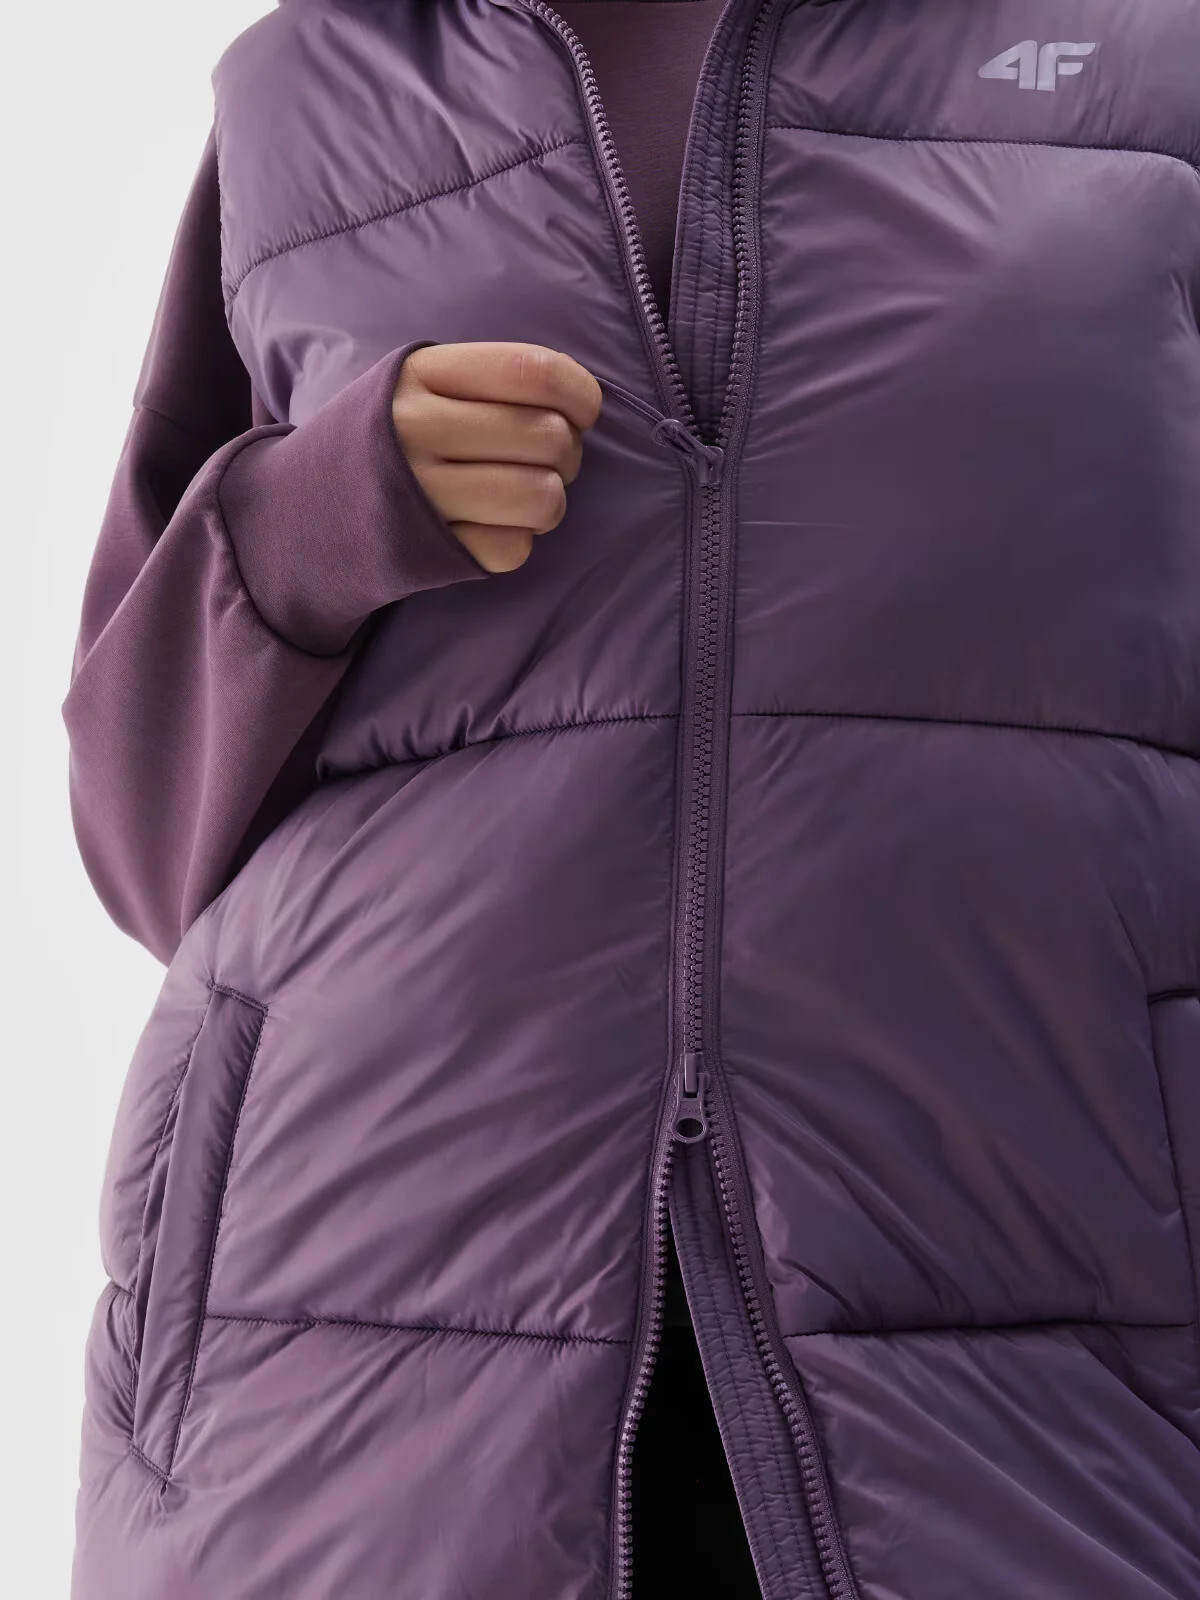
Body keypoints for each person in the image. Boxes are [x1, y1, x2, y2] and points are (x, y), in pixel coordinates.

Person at [64, 1, 1200, 1596]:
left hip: (1057, 1325)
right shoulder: (309, 84)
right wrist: (316, 518)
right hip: (341, 1351)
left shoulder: (1149, 52)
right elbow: (135, 833)